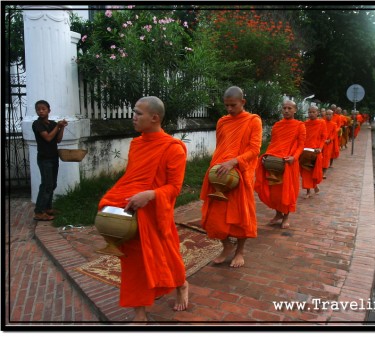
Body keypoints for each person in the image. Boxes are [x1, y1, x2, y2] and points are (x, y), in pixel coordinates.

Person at [98, 96, 189, 321]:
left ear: (154, 118)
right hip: (133, 211)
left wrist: (150, 195)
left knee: (167, 255)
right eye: (134, 112)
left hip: (155, 212)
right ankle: (140, 312)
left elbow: (175, 188)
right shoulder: (136, 144)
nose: (133, 117)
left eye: (138, 113)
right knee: (133, 262)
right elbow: (131, 178)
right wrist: (114, 198)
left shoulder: (173, 148)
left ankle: (181, 284)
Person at [200, 86, 262, 268]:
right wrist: (216, 166)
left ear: (243, 102)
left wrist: (234, 162)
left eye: (233, 105)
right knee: (213, 217)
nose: (229, 109)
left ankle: (240, 252)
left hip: (241, 173)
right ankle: (226, 245)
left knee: (241, 216)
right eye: (226, 105)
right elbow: (221, 147)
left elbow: (255, 149)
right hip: (220, 173)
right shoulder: (222, 122)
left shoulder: (253, 121)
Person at [255, 100, 305, 229]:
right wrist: (267, 155)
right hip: (275, 161)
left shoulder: (300, 126)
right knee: (274, 191)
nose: (286, 110)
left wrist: (294, 157)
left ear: (295, 110)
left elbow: (301, 145)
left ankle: (286, 217)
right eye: (284, 108)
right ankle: (278, 214)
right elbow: (273, 143)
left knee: (287, 191)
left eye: (289, 108)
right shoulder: (277, 125)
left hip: (289, 163)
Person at [32, 100, 68, 221]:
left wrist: (61, 128)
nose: (41, 111)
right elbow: (47, 138)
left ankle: (47, 208)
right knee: (46, 184)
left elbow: (57, 139)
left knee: (52, 184)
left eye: (43, 109)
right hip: (44, 158)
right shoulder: (37, 124)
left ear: (49, 110)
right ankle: (39, 211)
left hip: (53, 157)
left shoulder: (52, 124)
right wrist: (57, 126)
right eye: (38, 109)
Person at [301, 105, 327, 198]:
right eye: (310, 112)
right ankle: (308, 192)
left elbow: (324, 137)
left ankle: (315, 185)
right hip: (305, 151)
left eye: (313, 112)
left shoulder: (321, 123)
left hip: (316, 151)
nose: (311, 114)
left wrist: (319, 148)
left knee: (315, 172)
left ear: (318, 113)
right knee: (305, 172)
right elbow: (302, 137)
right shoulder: (305, 124)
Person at [322, 109, 338, 176]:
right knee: (320, 157)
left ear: (332, 115)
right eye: (327, 114)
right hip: (321, 143)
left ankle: (324, 172)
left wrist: (329, 140)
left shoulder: (334, 124)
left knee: (326, 157)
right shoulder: (322, 122)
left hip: (329, 143)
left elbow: (334, 134)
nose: (328, 116)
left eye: (330, 114)